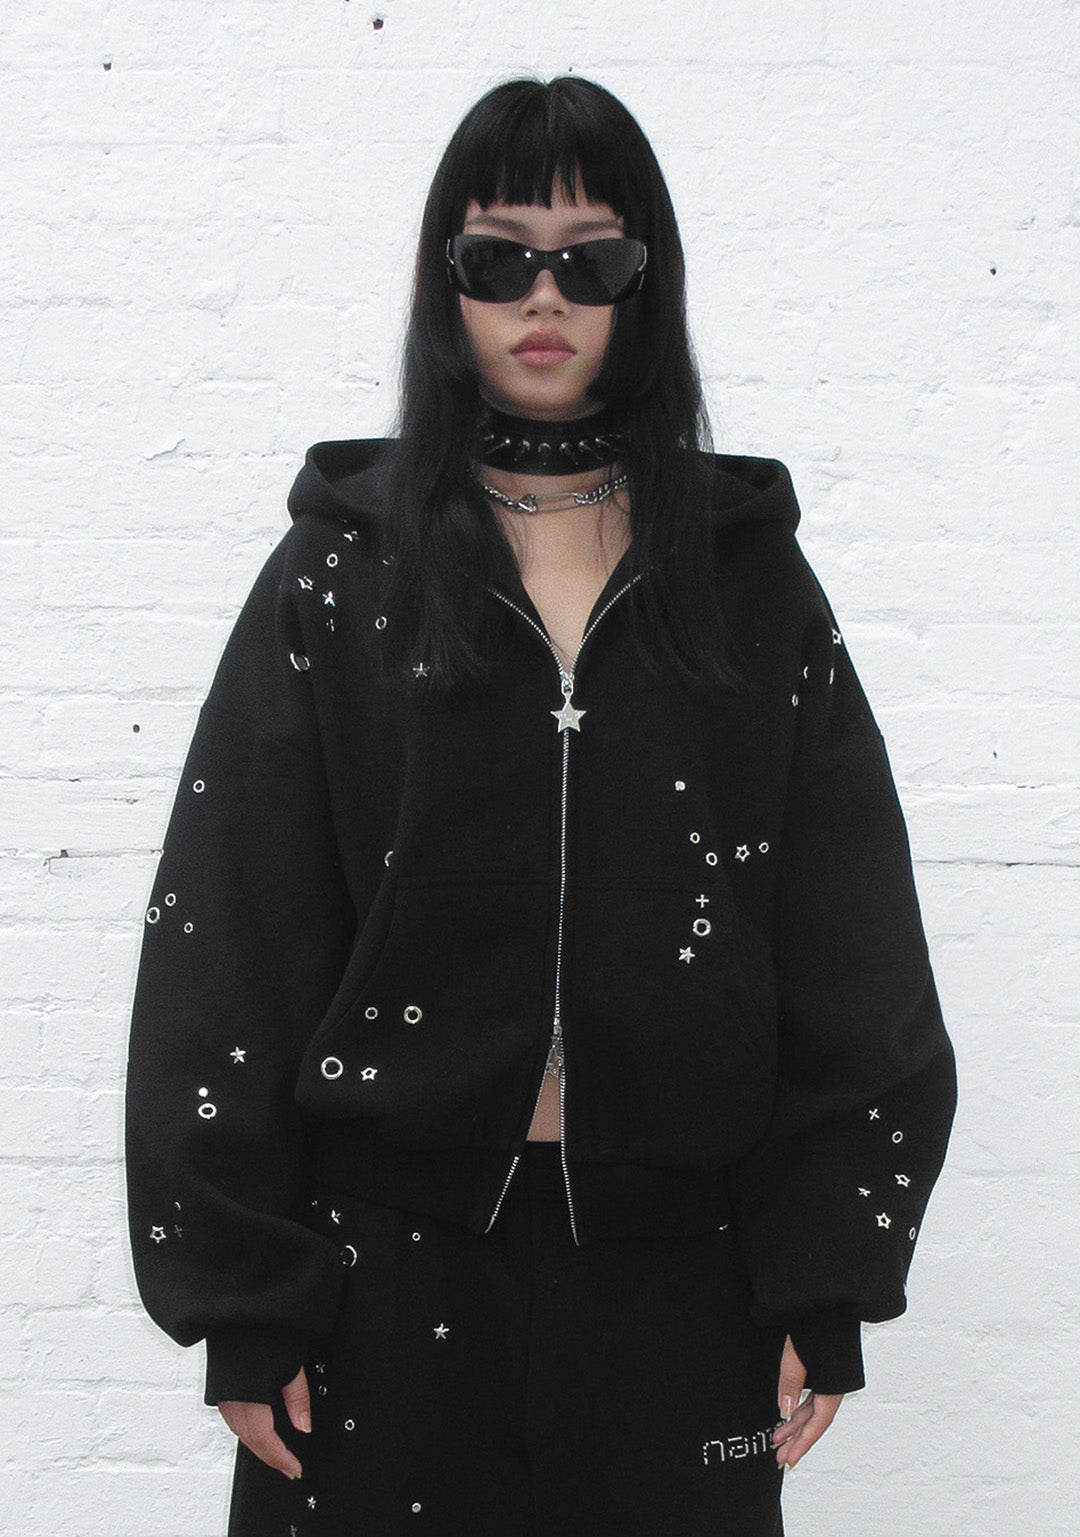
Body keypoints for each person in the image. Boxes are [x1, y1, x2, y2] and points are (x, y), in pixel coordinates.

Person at [125, 75, 957, 1537]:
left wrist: (825, 1265)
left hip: (679, 1278)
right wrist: (245, 1296)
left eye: (593, 258)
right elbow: (232, 932)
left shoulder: (745, 580)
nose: (545, 296)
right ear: (443, 282)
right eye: (499, 257)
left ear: (648, 282)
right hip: (380, 1279)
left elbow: (851, 935)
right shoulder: (343, 573)